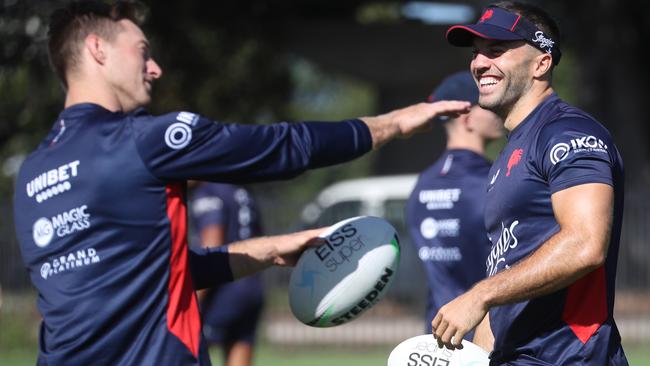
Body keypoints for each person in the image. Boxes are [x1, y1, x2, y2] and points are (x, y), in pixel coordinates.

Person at [12, 2, 471, 365]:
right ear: (98, 49)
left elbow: (148, 274)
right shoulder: (144, 140)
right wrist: (393, 123)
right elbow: (282, 147)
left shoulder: (32, 174)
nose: (155, 69)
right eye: (143, 51)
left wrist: (268, 251)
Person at [429, 1, 628, 365]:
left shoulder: (569, 132)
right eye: (477, 53)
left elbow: (586, 244)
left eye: (497, 50)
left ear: (542, 62)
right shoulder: (508, 154)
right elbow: (502, 269)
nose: (479, 63)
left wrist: (479, 296)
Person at [405, 71, 503, 338]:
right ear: (468, 116)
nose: (499, 111)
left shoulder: (422, 184)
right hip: (487, 337)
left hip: (437, 335)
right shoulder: (493, 182)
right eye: (488, 104)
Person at [189, 182, 265, 366]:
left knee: (183, 349)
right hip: (253, 285)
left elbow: (212, 244)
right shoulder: (241, 190)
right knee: (239, 346)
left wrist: (192, 299)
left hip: (223, 290)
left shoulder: (208, 192)